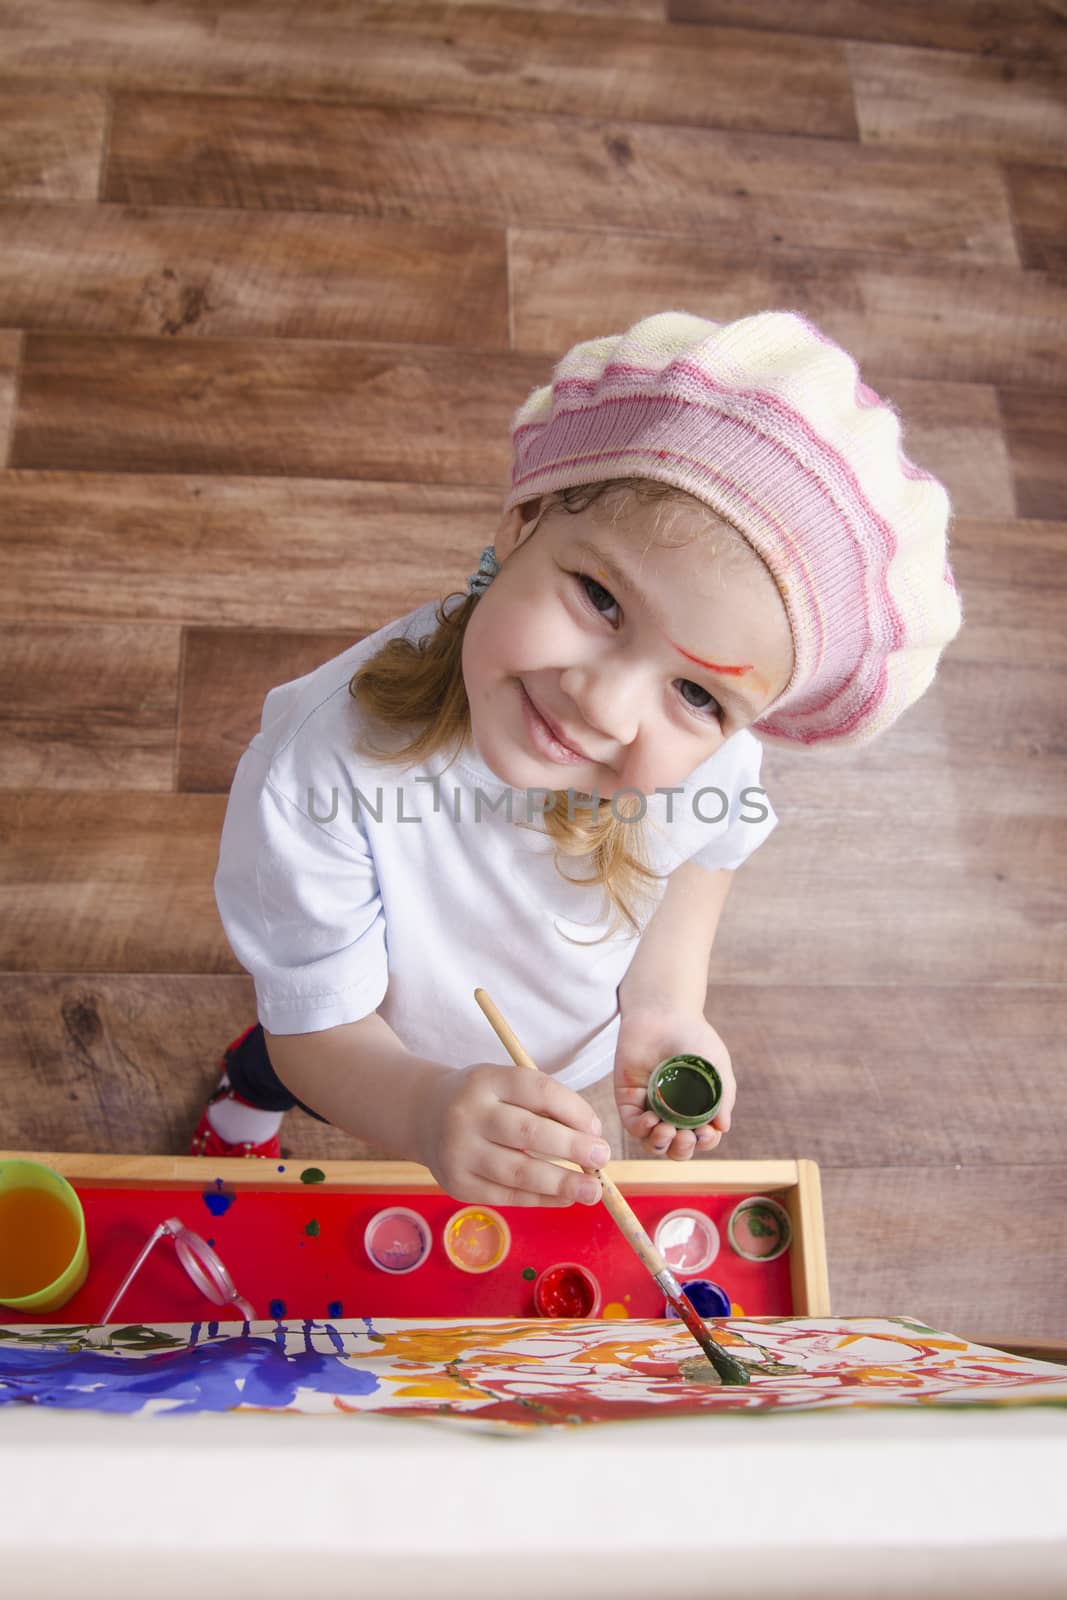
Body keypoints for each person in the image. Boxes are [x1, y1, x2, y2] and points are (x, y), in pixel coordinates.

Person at [191, 309, 962, 1209]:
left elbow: (699, 861)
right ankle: (244, 1096)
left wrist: (665, 1006)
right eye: (601, 597)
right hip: (370, 1033)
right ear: (521, 525)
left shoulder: (711, 759)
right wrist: (422, 1104)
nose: (603, 702)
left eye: (698, 694)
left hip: (561, 1037)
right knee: (281, 1057)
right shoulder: (318, 769)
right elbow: (320, 1025)